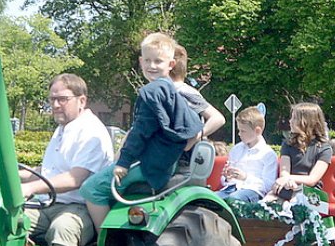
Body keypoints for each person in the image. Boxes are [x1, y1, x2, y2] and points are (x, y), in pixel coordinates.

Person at [23, 74, 114, 246]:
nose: (55, 105)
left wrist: (30, 189)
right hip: (52, 203)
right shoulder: (62, 128)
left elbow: (75, 179)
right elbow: (49, 173)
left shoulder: (92, 133)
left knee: (62, 229)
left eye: (62, 99)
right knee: (10, 220)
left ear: (81, 100)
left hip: (83, 206)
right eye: (52, 99)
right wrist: (11, 177)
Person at [82, 33, 203, 229]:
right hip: (164, 161)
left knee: (91, 188)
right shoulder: (170, 90)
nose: (152, 66)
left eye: (158, 61)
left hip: (149, 164)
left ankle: (102, 244)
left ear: (171, 64)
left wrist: (123, 162)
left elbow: (140, 132)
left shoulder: (151, 92)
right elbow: (195, 125)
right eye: (147, 60)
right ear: (140, 61)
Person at [271, 102, 333, 198]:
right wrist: (287, 180)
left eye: (294, 118)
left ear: (306, 122)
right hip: (288, 187)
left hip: (312, 194)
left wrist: (288, 178)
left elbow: (312, 180)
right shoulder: (287, 144)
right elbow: (284, 171)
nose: (290, 121)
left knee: (296, 204)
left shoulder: (324, 149)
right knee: (265, 204)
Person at [218, 105, 277, 203]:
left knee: (234, 199)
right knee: (210, 199)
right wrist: (226, 177)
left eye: (243, 131)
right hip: (231, 188)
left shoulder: (268, 154)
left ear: (257, 131)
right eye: (239, 130)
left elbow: (268, 185)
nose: (239, 134)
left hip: (253, 191)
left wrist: (245, 177)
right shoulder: (236, 149)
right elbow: (225, 180)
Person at [170, 45, 227, 142]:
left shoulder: (182, 91)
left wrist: (196, 137)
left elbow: (218, 118)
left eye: (158, 61)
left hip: (184, 155)